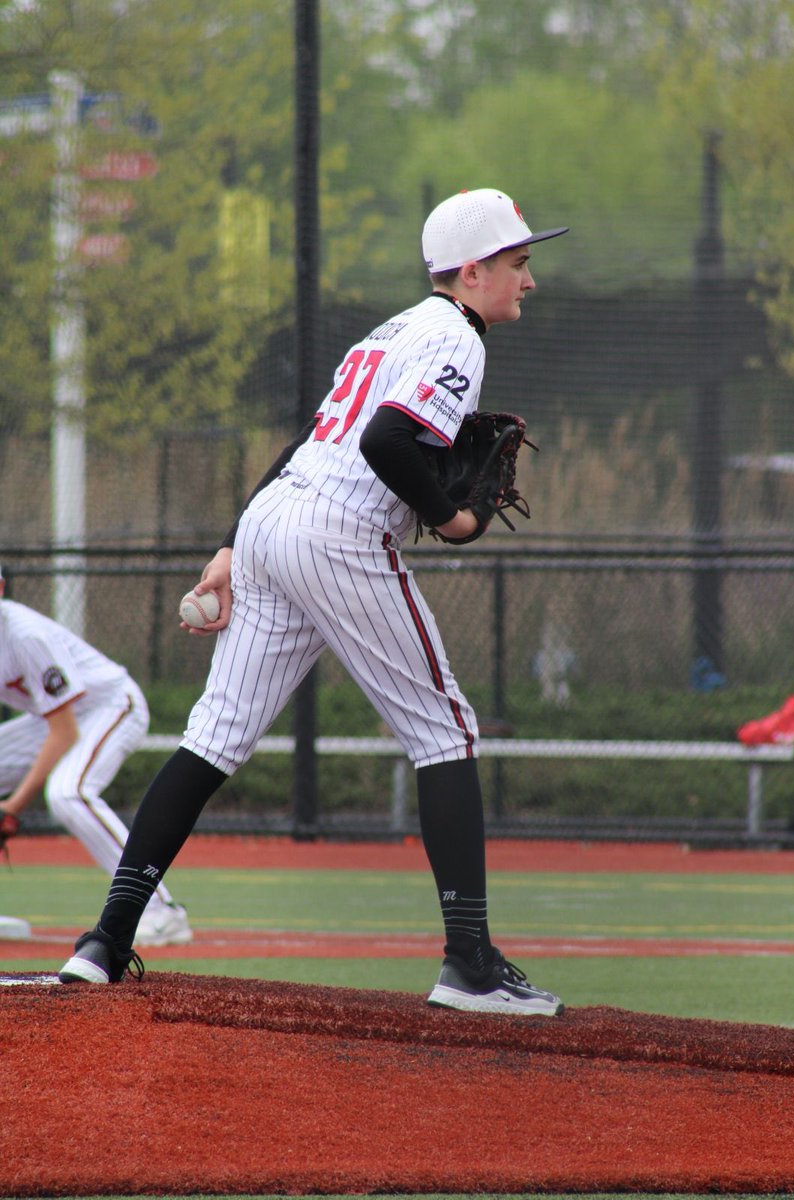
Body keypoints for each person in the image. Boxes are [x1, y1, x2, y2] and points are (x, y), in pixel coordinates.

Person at [59, 187, 567, 1015]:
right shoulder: (455, 339)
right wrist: (458, 519)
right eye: (518, 263)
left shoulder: (391, 330)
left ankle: (106, 940)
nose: (528, 280)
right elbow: (385, 441)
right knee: (446, 731)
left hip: (272, 522)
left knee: (214, 736)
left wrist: (232, 543)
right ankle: (470, 964)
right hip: (337, 531)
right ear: (471, 272)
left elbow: (313, 437)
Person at [0, 565, 192, 947]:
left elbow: (65, 732)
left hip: (111, 706)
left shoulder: (24, 635)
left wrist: (13, 807)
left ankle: (161, 911)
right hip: (56, 719)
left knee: (69, 793)